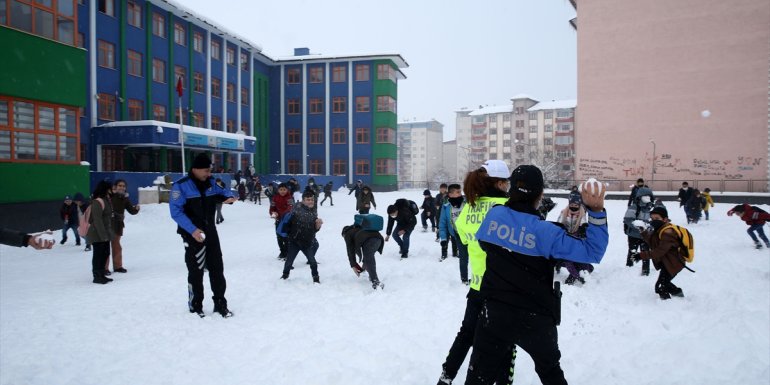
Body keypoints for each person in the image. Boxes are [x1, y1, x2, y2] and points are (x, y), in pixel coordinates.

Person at [464, 166, 609, 385]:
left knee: (478, 378)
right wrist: (596, 212)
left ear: (511, 189)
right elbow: (593, 252)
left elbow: (485, 243)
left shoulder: (494, 215)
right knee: (551, 374)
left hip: (495, 315)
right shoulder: (548, 233)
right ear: (540, 195)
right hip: (536, 319)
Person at [436, 159, 513, 385]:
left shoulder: (469, 207)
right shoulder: (506, 208)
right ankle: (504, 381)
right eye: (507, 182)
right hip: (502, 288)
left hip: (477, 284)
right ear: (499, 183)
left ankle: (446, 377)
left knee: (466, 334)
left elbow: (461, 234)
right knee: (505, 338)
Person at [169, 153, 236, 318]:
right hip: (192, 235)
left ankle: (220, 304)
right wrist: (192, 230)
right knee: (196, 271)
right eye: (206, 170)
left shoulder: (211, 183)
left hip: (211, 232)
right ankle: (195, 306)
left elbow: (225, 192)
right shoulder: (181, 186)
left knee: (217, 268)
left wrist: (229, 197)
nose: (209, 173)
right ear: (195, 169)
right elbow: (176, 212)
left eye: (210, 170)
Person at [639, 206, 686, 299]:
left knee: (661, 286)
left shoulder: (669, 232)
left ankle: (667, 303)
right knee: (664, 284)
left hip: (674, 263)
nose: (654, 221)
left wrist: (640, 255)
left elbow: (659, 251)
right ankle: (678, 295)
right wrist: (643, 232)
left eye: (657, 218)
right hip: (668, 262)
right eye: (652, 218)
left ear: (665, 219)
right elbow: (653, 243)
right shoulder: (659, 229)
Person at [279, 190, 323, 283]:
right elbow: (290, 222)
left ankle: (316, 278)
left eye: (312, 199)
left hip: (307, 242)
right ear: (303, 200)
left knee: (313, 262)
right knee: (289, 261)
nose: (310, 201)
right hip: (295, 242)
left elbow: (314, 229)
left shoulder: (313, 211)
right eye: (308, 199)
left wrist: (318, 225)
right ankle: (285, 275)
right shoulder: (297, 209)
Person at [556, 196, 594, 285]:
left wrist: (583, 229)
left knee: (578, 259)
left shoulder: (582, 213)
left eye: (576, 205)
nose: (574, 206)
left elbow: (583, 223)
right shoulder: (564, 212)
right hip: (565, 238)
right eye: (572, 204)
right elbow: (558, 223)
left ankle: (580, 272)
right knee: (567, 259)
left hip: (577, 239)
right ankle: (576, 275)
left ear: (579, 205)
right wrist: (560, 229)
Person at [107, 179, 140, 274]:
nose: (122, 187)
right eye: (120, 185)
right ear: (115, 187)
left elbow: (131, 211)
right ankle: (104, 268)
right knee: (105, 247)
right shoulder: (109, 196)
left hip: (118, 225)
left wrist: (136, 209)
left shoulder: (125, 198)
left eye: (123, 186)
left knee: (116, 246)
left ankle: (118, 266)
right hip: (108, 224)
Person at [342, 219, 385, 289]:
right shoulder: (358, 228)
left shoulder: (348, 234)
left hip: (371, 241)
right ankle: (369, 274)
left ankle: (376, 281)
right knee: (368, 258)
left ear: (344, 234)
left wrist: (353, 265)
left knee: (369, 258)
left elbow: (350, 250)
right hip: (379, 239)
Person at [438, 184, 467, 282]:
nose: (460, 194)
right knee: (463, 257)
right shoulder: (446, 207)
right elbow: (442, 223)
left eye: (460, 192)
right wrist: (443, 238)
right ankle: (464, 279)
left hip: (471, 234)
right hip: (458, 235)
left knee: (476, 256)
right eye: (457, 192)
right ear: (450, 194)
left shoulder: (467, 202)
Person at [86, 180, 114, 285]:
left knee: (105, 253)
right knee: (98, 254)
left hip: (105, 232)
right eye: (110, 188)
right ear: (105, 189)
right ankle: (97, 276)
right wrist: (103, 236)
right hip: (97, 233)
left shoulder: (106, 199)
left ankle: (102, 274)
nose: (111, 190)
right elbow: (97, 220)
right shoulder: (97, 201)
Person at [623, 186, 655, 275]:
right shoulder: (634, 207)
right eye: (645, 196)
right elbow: (628, 220)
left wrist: (650, 227)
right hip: (634, 235)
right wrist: (639, 226)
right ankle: (629, 267)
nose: (647, 198)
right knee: (632, 251)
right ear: (640, 197)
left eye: (649, 196)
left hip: (646, 235)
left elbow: (655, 220)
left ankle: (645, 271)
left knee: (646, 253)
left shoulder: (651, 208)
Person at [269, 183, 294, 260]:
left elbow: (290, 208)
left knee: (285, 237)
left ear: (287, 190)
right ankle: (282, 252)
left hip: (286, 221)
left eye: (284, 189)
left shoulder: (289, 198)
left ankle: (287, 253)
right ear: (278, 190)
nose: (282, 191)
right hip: (278, 220)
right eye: (281, 189)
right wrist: (273, 213)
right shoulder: (275, 197)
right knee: (279, 237)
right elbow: (272, 208)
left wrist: (283, 215)